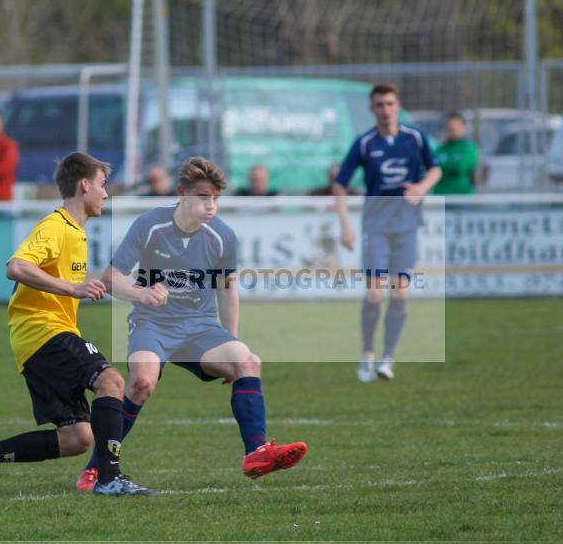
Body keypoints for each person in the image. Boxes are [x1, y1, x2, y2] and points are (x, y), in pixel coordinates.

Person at [75, 156, 307, 492]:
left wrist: (231, 341)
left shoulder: (222, 236)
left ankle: (257, 453)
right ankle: (97, 466)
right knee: (141, 384)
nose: (210, 205)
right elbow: (111, 279)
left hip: (199, 328)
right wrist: (141, 293)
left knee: (247, 362)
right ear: (182, 194)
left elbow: (228, 290)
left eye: (215, 199)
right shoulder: (150, 225)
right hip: (152, 325)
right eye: (203, 197)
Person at [0, 152, 154, 498]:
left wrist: (138, 292)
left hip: (37, 340)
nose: (106, 194)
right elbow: (16, 267)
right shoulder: (56, 227)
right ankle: (109, 478)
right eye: (103, 186)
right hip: (43, 331)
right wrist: (72, 288)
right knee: (111, 380)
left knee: (78, 437)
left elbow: (78, 279)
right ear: (85, 185)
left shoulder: (74, 233)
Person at [332, 84, 441, 383]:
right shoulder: (365, 143)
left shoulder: (415, 138)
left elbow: (436, 170)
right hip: (376, 226)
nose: (385, 109)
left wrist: (421, 188)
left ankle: (387, 358)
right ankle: (367, 352)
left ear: (398, 105)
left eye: (390, 103)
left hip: (407, 225)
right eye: (379, 104)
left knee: (400, 292)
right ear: (372, 109)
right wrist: (345, 225)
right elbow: (340, 183)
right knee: (374, 292)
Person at [432, 112, 480, 195]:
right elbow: (431, 168)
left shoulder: (469, 148)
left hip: (462, 198)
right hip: (441, 196)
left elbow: (460, 167)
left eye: (455, 126)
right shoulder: (440, 149)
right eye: (450, 126)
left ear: (463, 127)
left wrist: (441, 167)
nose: (452, 129)